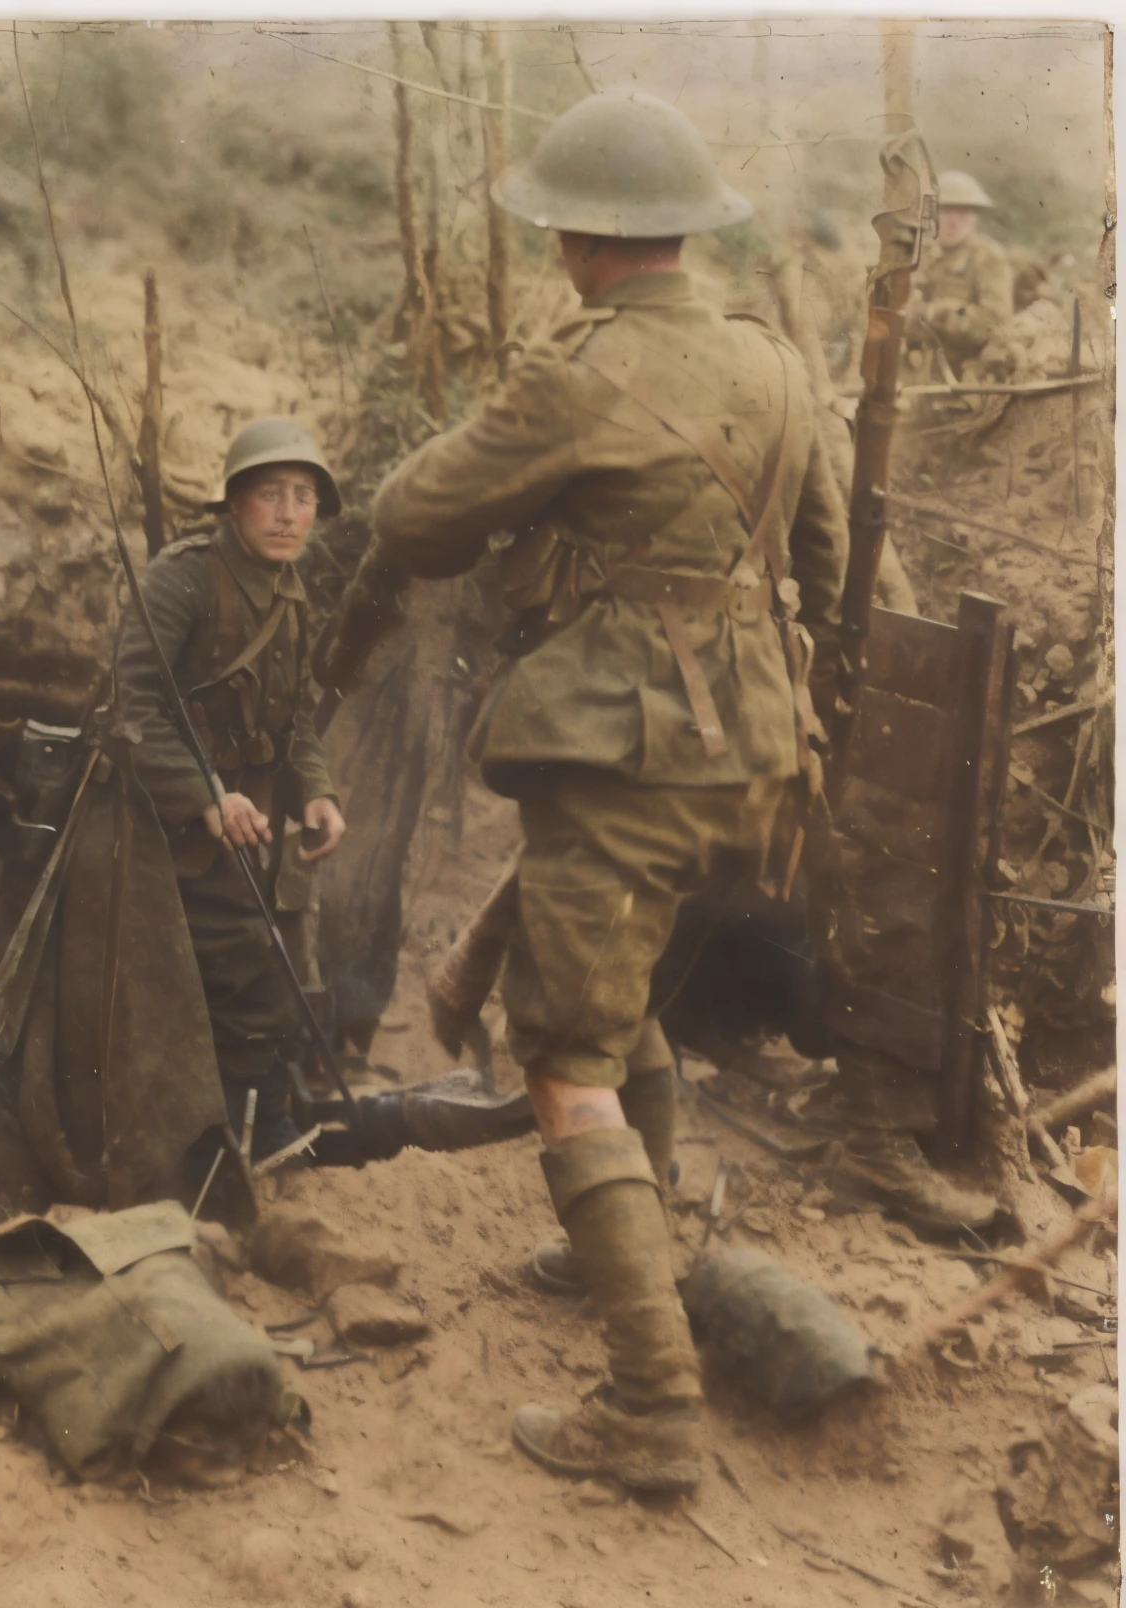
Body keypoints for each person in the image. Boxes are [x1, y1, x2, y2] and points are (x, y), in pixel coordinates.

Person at [318, 89, 848, 1494]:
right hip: (750, 757)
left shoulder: (581, 371)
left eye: (560, 225)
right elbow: (833, 564)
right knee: (611, 1006)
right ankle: (614, 1254)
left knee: (563, 1057)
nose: (553, 244)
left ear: (591, 237)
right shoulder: (777, 363)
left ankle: (651, 1404)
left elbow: (412, 517)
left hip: (624, 758)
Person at [115, 420, 347, 1162]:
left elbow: (297, 717)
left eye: (304, 497)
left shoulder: (291, 587)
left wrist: (316, 790)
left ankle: (267, 1120)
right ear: (235, 504)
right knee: (214, 972)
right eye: (269, 495)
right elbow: (131, 708)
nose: (287, 513)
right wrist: (207, 797)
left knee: (281, 962)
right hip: (177, 821)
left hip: (260, 819)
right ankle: (206, 1140)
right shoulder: (183, 578)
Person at [911, 170, 1014, 381]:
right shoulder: (925, 256)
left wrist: (937, 313)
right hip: (923, 372)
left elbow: (996, 323)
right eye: (946, 211)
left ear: (974, 217)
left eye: (963, 213)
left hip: (969, 376)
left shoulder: (987, 257)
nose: (953, 221)